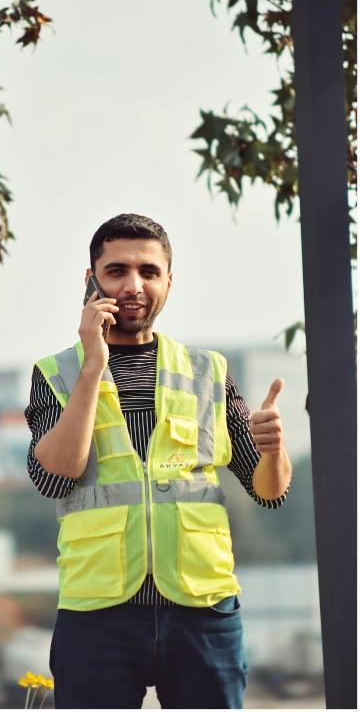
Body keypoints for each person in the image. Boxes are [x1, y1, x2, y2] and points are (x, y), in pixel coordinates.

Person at [25, 213, 292, 709]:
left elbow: (269, 492)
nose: (133, 286)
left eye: (149, 272)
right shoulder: (56, 372)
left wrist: (275, 450)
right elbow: (54, 476)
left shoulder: (207, 370)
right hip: (98, 613)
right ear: (91, 281)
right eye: (116, 271)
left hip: (202, 610)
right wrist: (93, 364)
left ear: (170, 281)